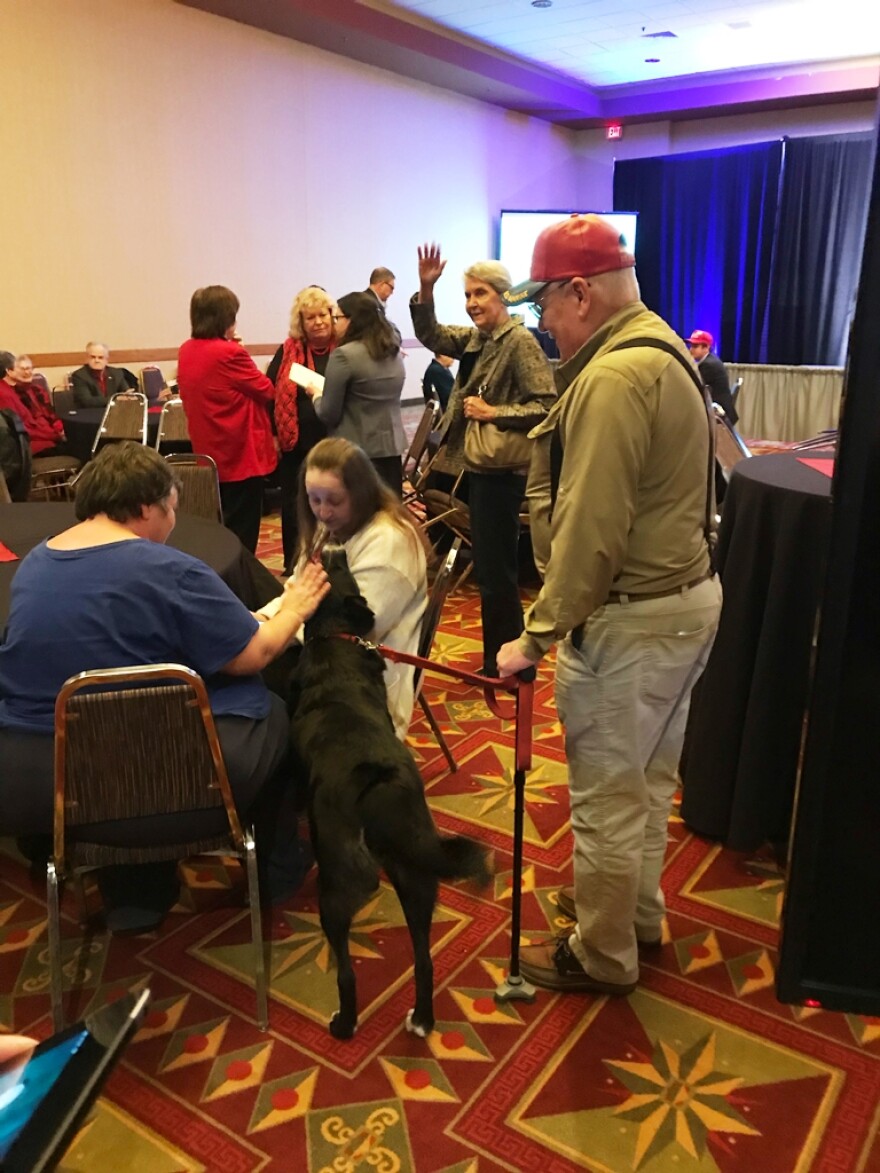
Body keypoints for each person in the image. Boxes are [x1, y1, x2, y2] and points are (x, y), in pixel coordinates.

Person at [496, 214, 723, 996]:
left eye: (545, 306)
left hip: (631, 621)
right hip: (685, 604)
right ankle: (637, 916)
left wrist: (534, 635)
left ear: (581, 292)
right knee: (650, 783)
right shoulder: (661, 344)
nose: (544, 324)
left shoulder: (613, 377)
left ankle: (601, 954)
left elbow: (591, 534)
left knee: (602, 797)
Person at [0, 443, 329, 928]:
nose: (174, 522)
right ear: (147, 507)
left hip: (45, 783)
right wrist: (296, 606)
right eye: (173, 508)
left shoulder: (33, 565)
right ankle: (279, 867)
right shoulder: (170, 570)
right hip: (166, 783)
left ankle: (137, 884)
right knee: (273, 708)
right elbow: (252, 654)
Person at [410, 247, 556, 677]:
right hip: (471, 466)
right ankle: (499, 658)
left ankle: (511, 664)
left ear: (505, 298)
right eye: (468, 295)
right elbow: (431, 334)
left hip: (499, 472)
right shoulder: (478, 339)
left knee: (497, 576)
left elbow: (548, 406)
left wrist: (495, 413)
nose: (472, 303)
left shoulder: (519, 343)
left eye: (481, 294)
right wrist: (426, 288)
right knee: (489, 573)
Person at [256, 437, 428, 740]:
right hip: (330, 652)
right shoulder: (333, 526)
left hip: (364, 676)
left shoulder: (389, 541)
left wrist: (273, 635)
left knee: (259, 681)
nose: (322, 512)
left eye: (334, 500)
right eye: (314, 499)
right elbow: (299, 588)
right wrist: (263, 620)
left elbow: (355, 627)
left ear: (360, 494)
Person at [177, 285, 277, 553]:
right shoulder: (230, 353)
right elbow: (267, 389)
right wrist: (237, 348)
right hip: (239, 452)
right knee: (242, 531)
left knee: (221, 525)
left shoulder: (187, 349)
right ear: (225, 318)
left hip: (209, 451)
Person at [266, 286, 337, 572]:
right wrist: (273, 434)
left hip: (332, 440)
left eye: (323, 315)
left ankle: (331, 562)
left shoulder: (343, 349)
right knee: (295, 504)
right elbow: (270, 392)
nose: (318, 322)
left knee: (333, 501)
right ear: (301, 322)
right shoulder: (287, 351)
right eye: (311, 318)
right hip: (295, 443)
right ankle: (293, 561)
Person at [310, 291, 407, 495]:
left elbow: (329, 413)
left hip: (355, 452)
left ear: (352, 320)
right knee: (388, 512)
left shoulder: (344, 355)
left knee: (360, 516)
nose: (334, 324)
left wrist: (316, 395)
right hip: (391, 447)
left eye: (337, 318)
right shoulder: (393, 350)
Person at [1, 354, 72, 458]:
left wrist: (60, 430)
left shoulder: (37, 390)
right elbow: (22, 429)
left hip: (47, 436)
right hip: (34, 444)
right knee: (79, 447)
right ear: (9, 371)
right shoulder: (7, 394)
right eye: (21, 368)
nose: (27, 372)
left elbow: (51, 415)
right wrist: (55, 436)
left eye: (29, 368)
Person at [685, 329, 738, 423]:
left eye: (695, 346)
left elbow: (694, 387)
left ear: (706, 347)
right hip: (717, 407)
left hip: (717, 411)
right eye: (691, 346)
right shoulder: (710, 360)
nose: (691, 349)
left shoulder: (708, 365)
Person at [70, 342, 130, 408]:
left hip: (113, 412)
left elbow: (125, 393)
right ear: (87, 358)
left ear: (107, 359)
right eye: (93, 357)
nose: (96, 360)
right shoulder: (79, 376)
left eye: (100, 357)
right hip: (89, 413)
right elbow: (87, 401)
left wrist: (130, 396)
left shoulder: (117, 373)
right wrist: (115, 399)